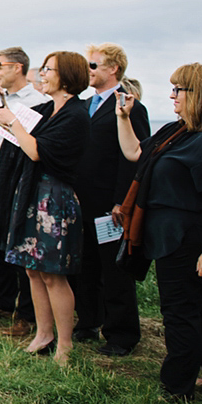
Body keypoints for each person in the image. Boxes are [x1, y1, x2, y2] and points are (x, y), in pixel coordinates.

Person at [117, 63, 202, 400]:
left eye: (178, 90)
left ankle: (176, 388)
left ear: (199, 95)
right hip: (168, 234)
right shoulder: (177, 131)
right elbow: (135, 153)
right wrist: (124, 118)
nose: (172, 96)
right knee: (195, 307)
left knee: (179, 312)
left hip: (189, 237)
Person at [0, 51, 90, 364]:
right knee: (32, 270)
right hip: (31, 194)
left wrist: (13, 123)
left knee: (53, 274)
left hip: (55, 200)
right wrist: (8, 122)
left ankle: (65, 344)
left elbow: (37, 151)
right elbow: (22, 140)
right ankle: (43, 333)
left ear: (67, 76)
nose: (42, 74)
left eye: (48, 70)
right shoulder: (47, 108)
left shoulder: (76, 114)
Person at [71, 43, 149, 357]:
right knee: (84, 264)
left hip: (110, 204)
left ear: (112, 68)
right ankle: (88, 321)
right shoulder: (85, 105)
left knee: (114, 270)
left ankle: (122, 334)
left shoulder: (130, 107)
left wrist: (122, 201)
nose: (87, 70)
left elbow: (134, 158)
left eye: (93, 65)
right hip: (80, 200)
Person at [0, 46, 49, 337]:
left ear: (17, 67)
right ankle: (4, 301)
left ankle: (26, 314)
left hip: (22, 179)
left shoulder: (39, 101)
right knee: (0, 242)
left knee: (22, 245)